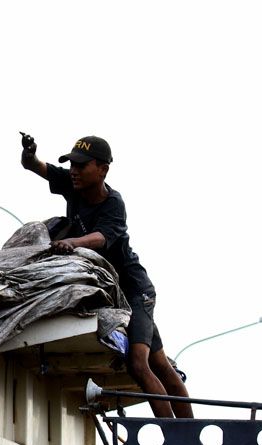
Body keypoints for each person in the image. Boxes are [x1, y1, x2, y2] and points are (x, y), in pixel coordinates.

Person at [20, 134, 193, 418]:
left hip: (135, 292)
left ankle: (179, 438)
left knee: (139, 364)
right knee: (161, 365)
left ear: (102, 169)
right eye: (71, 164)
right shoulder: (71, 183)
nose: (74, 171)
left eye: (82, 165)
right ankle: (189, 439)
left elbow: (102, 238)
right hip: (114, 294)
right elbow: (35, 166)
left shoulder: (113, 203)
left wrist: (73, 242)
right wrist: (29, 154)